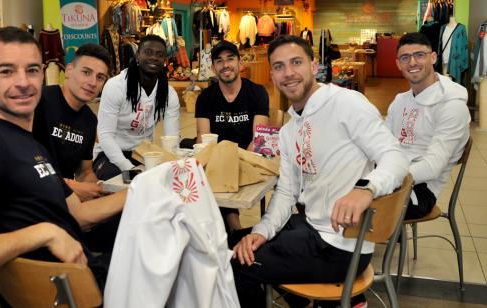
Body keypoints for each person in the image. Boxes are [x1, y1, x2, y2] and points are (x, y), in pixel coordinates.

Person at [0, 27, 127, 290]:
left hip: (83, 275)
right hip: (70, 292)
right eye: (6, 71)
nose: (23, 82)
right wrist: (42, 233)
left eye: (32, 70)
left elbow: (79, 215)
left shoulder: (28, 145)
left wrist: (139, 190)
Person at [231, 35, 409, 308]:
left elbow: (395, 158)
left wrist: (366, 188)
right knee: (234, 240)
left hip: (341, 247)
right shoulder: (290, 129)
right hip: (312, 229)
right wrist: (262, 231)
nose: (288, 73)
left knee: (235, 263)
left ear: (314, 66)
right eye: (279, 66)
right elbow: (287, 192)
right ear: (272, 75)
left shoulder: (347, 103)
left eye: (296, 62)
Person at [386, 32, 470, 220]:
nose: (413, 62)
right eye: (405, 57)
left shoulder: (452, 106)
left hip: (421, 190)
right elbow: (383, 145)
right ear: (398, 64)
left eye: (420, 55)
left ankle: (363, 245)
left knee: (352, 206)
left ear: (433, 57)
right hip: (393, 176)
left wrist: (382, 179)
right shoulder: (399, 101)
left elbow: (432, 167)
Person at [193, 40, 270, 239]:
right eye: (219, 61)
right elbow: (203, 138)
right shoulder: (205, 98)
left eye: (230, 59)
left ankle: (231, 229)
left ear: (240, 62)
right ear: (213, 68)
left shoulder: (257, 92)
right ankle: (232, 230)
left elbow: (259, 139)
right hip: (216, 160)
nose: (225, 65)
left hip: (248, 156)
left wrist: (237, 162)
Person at [93, 34, 180, 180]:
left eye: (159, 55)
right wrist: (129, 169)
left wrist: (172, 164)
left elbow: (172, 138)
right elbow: (105, 135)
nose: (153, 57)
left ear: (164, 60)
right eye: (148, 52)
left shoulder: (168, 93)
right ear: (138, 55)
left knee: (166, 179)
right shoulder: (116, 86)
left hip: (144, 153)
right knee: (119, 181)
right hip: (110, 154)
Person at [33, 43, 111, 202]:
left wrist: (96, 187)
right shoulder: (38, 101)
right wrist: (72, 187)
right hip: (32, 194)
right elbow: (19, 166)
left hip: (64, 199)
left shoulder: (89, 120)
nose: (92, 82)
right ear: (68, 70)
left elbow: (85, 172)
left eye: (100, 77)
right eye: (86, 72)